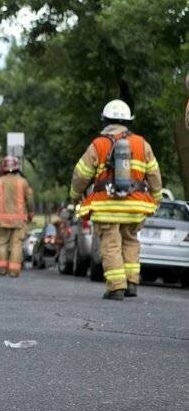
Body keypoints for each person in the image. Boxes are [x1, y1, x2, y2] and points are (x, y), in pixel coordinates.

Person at [69, 99, 162, 300]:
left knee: (110, 244)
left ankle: (116, 287)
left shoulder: (98, 144)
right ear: (128, 121)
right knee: (130, 241)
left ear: (105, 120)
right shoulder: (141, 143)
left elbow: (81, 174)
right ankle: (131, 283)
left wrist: (75, 195)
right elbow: (154, 173)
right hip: (136, 205)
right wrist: (156, 197)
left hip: (107, 206)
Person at [0, 155, 34, 277]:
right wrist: (31, 214)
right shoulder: (23, 182)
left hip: (2, 221)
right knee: (17, 245)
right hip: (19, 221)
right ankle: (14, 271)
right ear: (17, 167)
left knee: (2, 244)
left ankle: (1, 269)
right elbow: (30, 200)